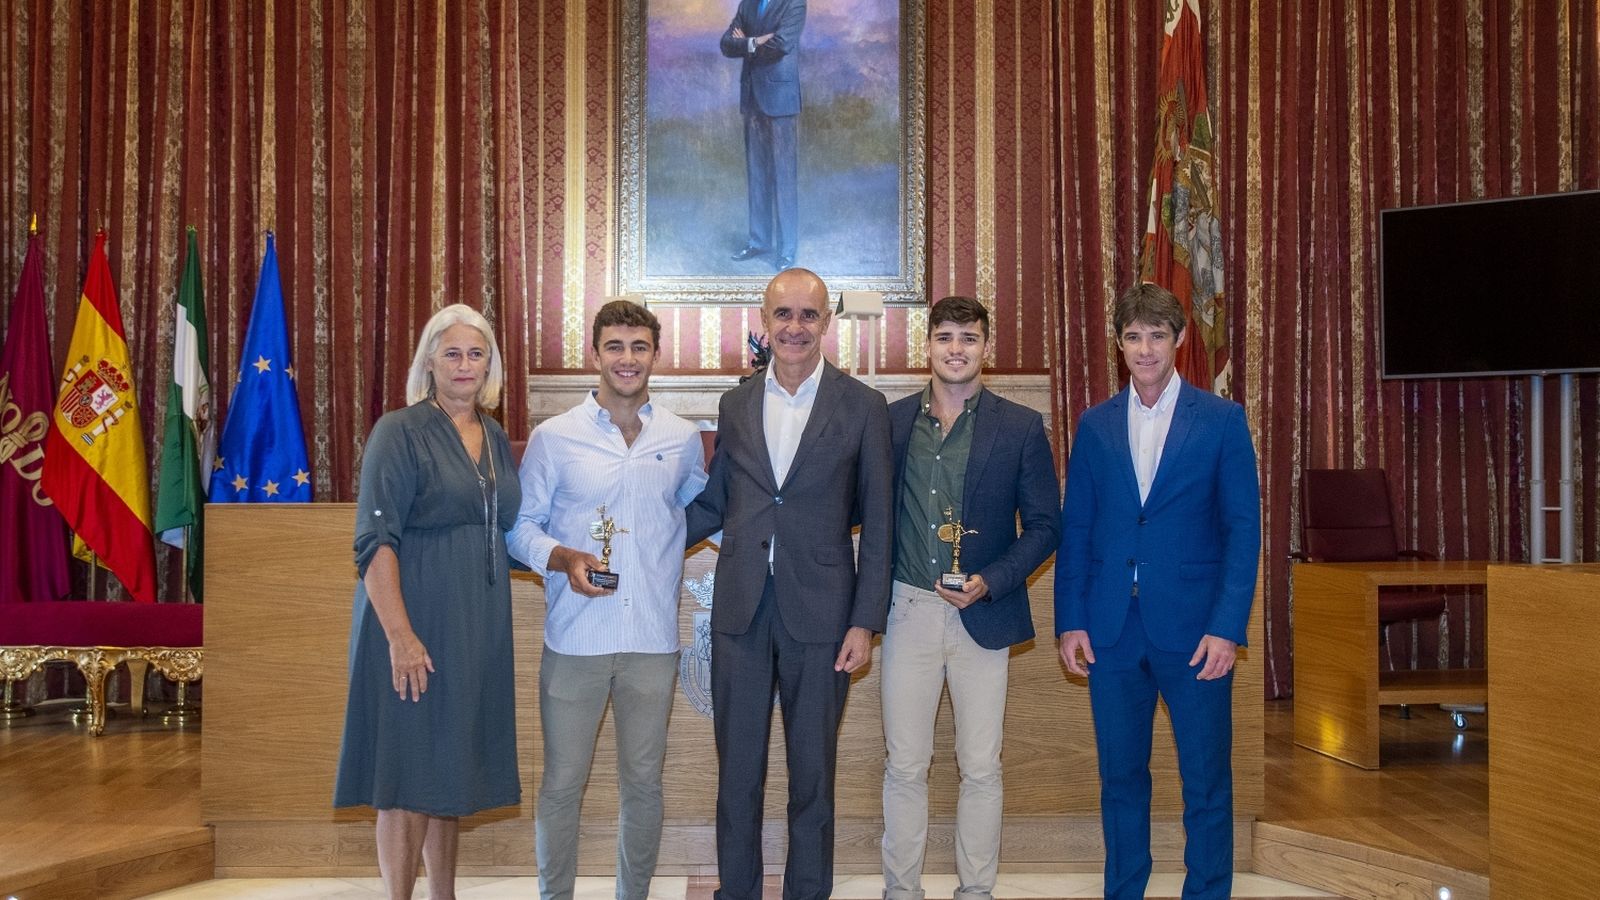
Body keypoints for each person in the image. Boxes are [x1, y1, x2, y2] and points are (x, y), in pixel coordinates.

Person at [685, 267, 893, 900]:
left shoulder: (864, 406)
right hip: (742, 610)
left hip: (824, 615)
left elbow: (879, 522)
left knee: (813, 777)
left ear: (826, 323)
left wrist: (864, 622)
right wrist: (640, 532)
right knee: (737, 774)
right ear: (764, 321)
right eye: (783, 314)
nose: (795, 327)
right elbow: (717, 501)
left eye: (808, 315)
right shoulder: (737, 403)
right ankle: (737, 892)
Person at [1054, 283, 1260, 900]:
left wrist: (1227, 627)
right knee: (1120, 779)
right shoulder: (1096, 425)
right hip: (1112, 630)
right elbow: (1078, 528)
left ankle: (1208, 892)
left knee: (1206, 782)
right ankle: (1125, 890)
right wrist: (1070, 620)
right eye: (1133, 337)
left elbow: (1243, 532)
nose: (1145, 349)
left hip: (1197, 633)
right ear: (1119, 345)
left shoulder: (1221, 420)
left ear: (1180, 340)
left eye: (1157, 336)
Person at [507, 300, 708, 900]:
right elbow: (519, 529)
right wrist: (564, 558)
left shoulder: (681, 438)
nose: (627, 359)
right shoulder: (555, 437)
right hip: (576, 639)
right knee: (562, 784)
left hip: (651, 640)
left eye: (639, 347)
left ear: (655, 355)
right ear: (595, 353)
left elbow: (709, 514)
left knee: (643, 784)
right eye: (615, 346)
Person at [334, 303, 521, 900]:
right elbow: (374, 541)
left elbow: (505, 529)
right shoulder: (399, 431)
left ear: (490, 364)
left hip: (474, 626)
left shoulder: (494, 435)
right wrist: (400, 636)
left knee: (449, 769)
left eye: (476, 354)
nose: (465, 365)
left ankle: (444, 894)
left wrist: (566, 557)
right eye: (452, 353)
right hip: (412, 619)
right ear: (430, 363)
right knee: (406, 771)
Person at [880, 296, 1060, 900]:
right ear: (927, 345)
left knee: (981, 766)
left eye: (969, 338)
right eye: (945, 337)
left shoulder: (1020, 426)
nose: (956, 349)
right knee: (905, 764)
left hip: (983, 612)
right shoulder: (892, 422)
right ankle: (900, 892)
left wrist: (993, 580)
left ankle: (976, 891)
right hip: (907, 610)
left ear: (987, 346)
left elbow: (1045, 526)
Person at [720, 0, 806, 272]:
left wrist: (746, 43)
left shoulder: (794, 3)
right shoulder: (748, 3)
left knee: (784, 178)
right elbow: (726, 44)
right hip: (752, 97)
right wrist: (756, 41)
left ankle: (787, 250)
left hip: (780, 100)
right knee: (757, 176)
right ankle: (759, 242)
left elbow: (781, 45)